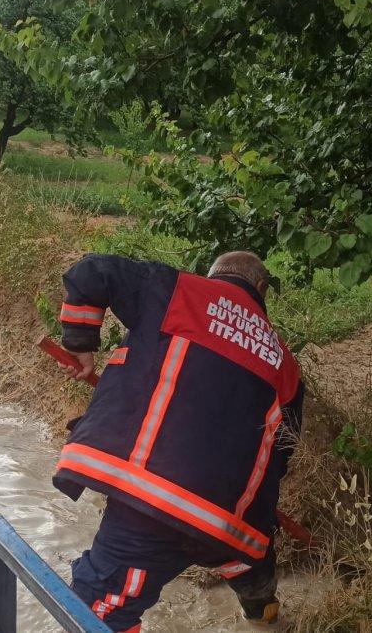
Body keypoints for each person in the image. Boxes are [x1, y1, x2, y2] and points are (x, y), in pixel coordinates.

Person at [53, 251, 304, 632]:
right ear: (262, 290)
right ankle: (263, 614)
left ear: (213, 275)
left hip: (154, 503)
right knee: (250, 561)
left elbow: (92, 271)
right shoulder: (285, 364)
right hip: (232, 522)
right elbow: (282, 453)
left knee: (96, 608)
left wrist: (79, 341)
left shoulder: (176, 290)